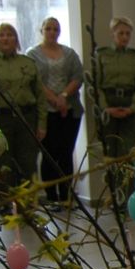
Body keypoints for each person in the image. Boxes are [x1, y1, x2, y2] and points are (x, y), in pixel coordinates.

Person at [0, 22, 46, 205]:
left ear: (16, 39)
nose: (5, 38)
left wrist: (41, 124)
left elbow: (40, 96)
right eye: (1, 35)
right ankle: (5, 205)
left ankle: (27, 206)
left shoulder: (28, 63)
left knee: (28, 164)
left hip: (26, 118)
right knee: (2, 165)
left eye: (10, 34)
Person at [88, 16, 135, 214]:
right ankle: (114, 198)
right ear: (112, 34)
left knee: (128, 154)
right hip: (109, 106)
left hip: (130, 107)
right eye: (120, 33)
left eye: (127, 33)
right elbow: (95, 83)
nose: (124, 37)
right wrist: (106, 107)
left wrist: (133, 107)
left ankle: (128, 200)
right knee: (111, 155)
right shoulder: (102, 55)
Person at [30, 16, 83, 207]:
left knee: (66, 153)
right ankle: (51, 196)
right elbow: (35, 81)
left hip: (70, 111)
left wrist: (63, 96)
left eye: (56, 29)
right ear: (41, 31)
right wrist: (54, 99)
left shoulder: (69, 53)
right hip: (46, 113)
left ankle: (66, 196)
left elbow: (78, 76)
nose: (52, 32)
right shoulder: (32, 54)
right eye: (48, 29)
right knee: (49, 154)